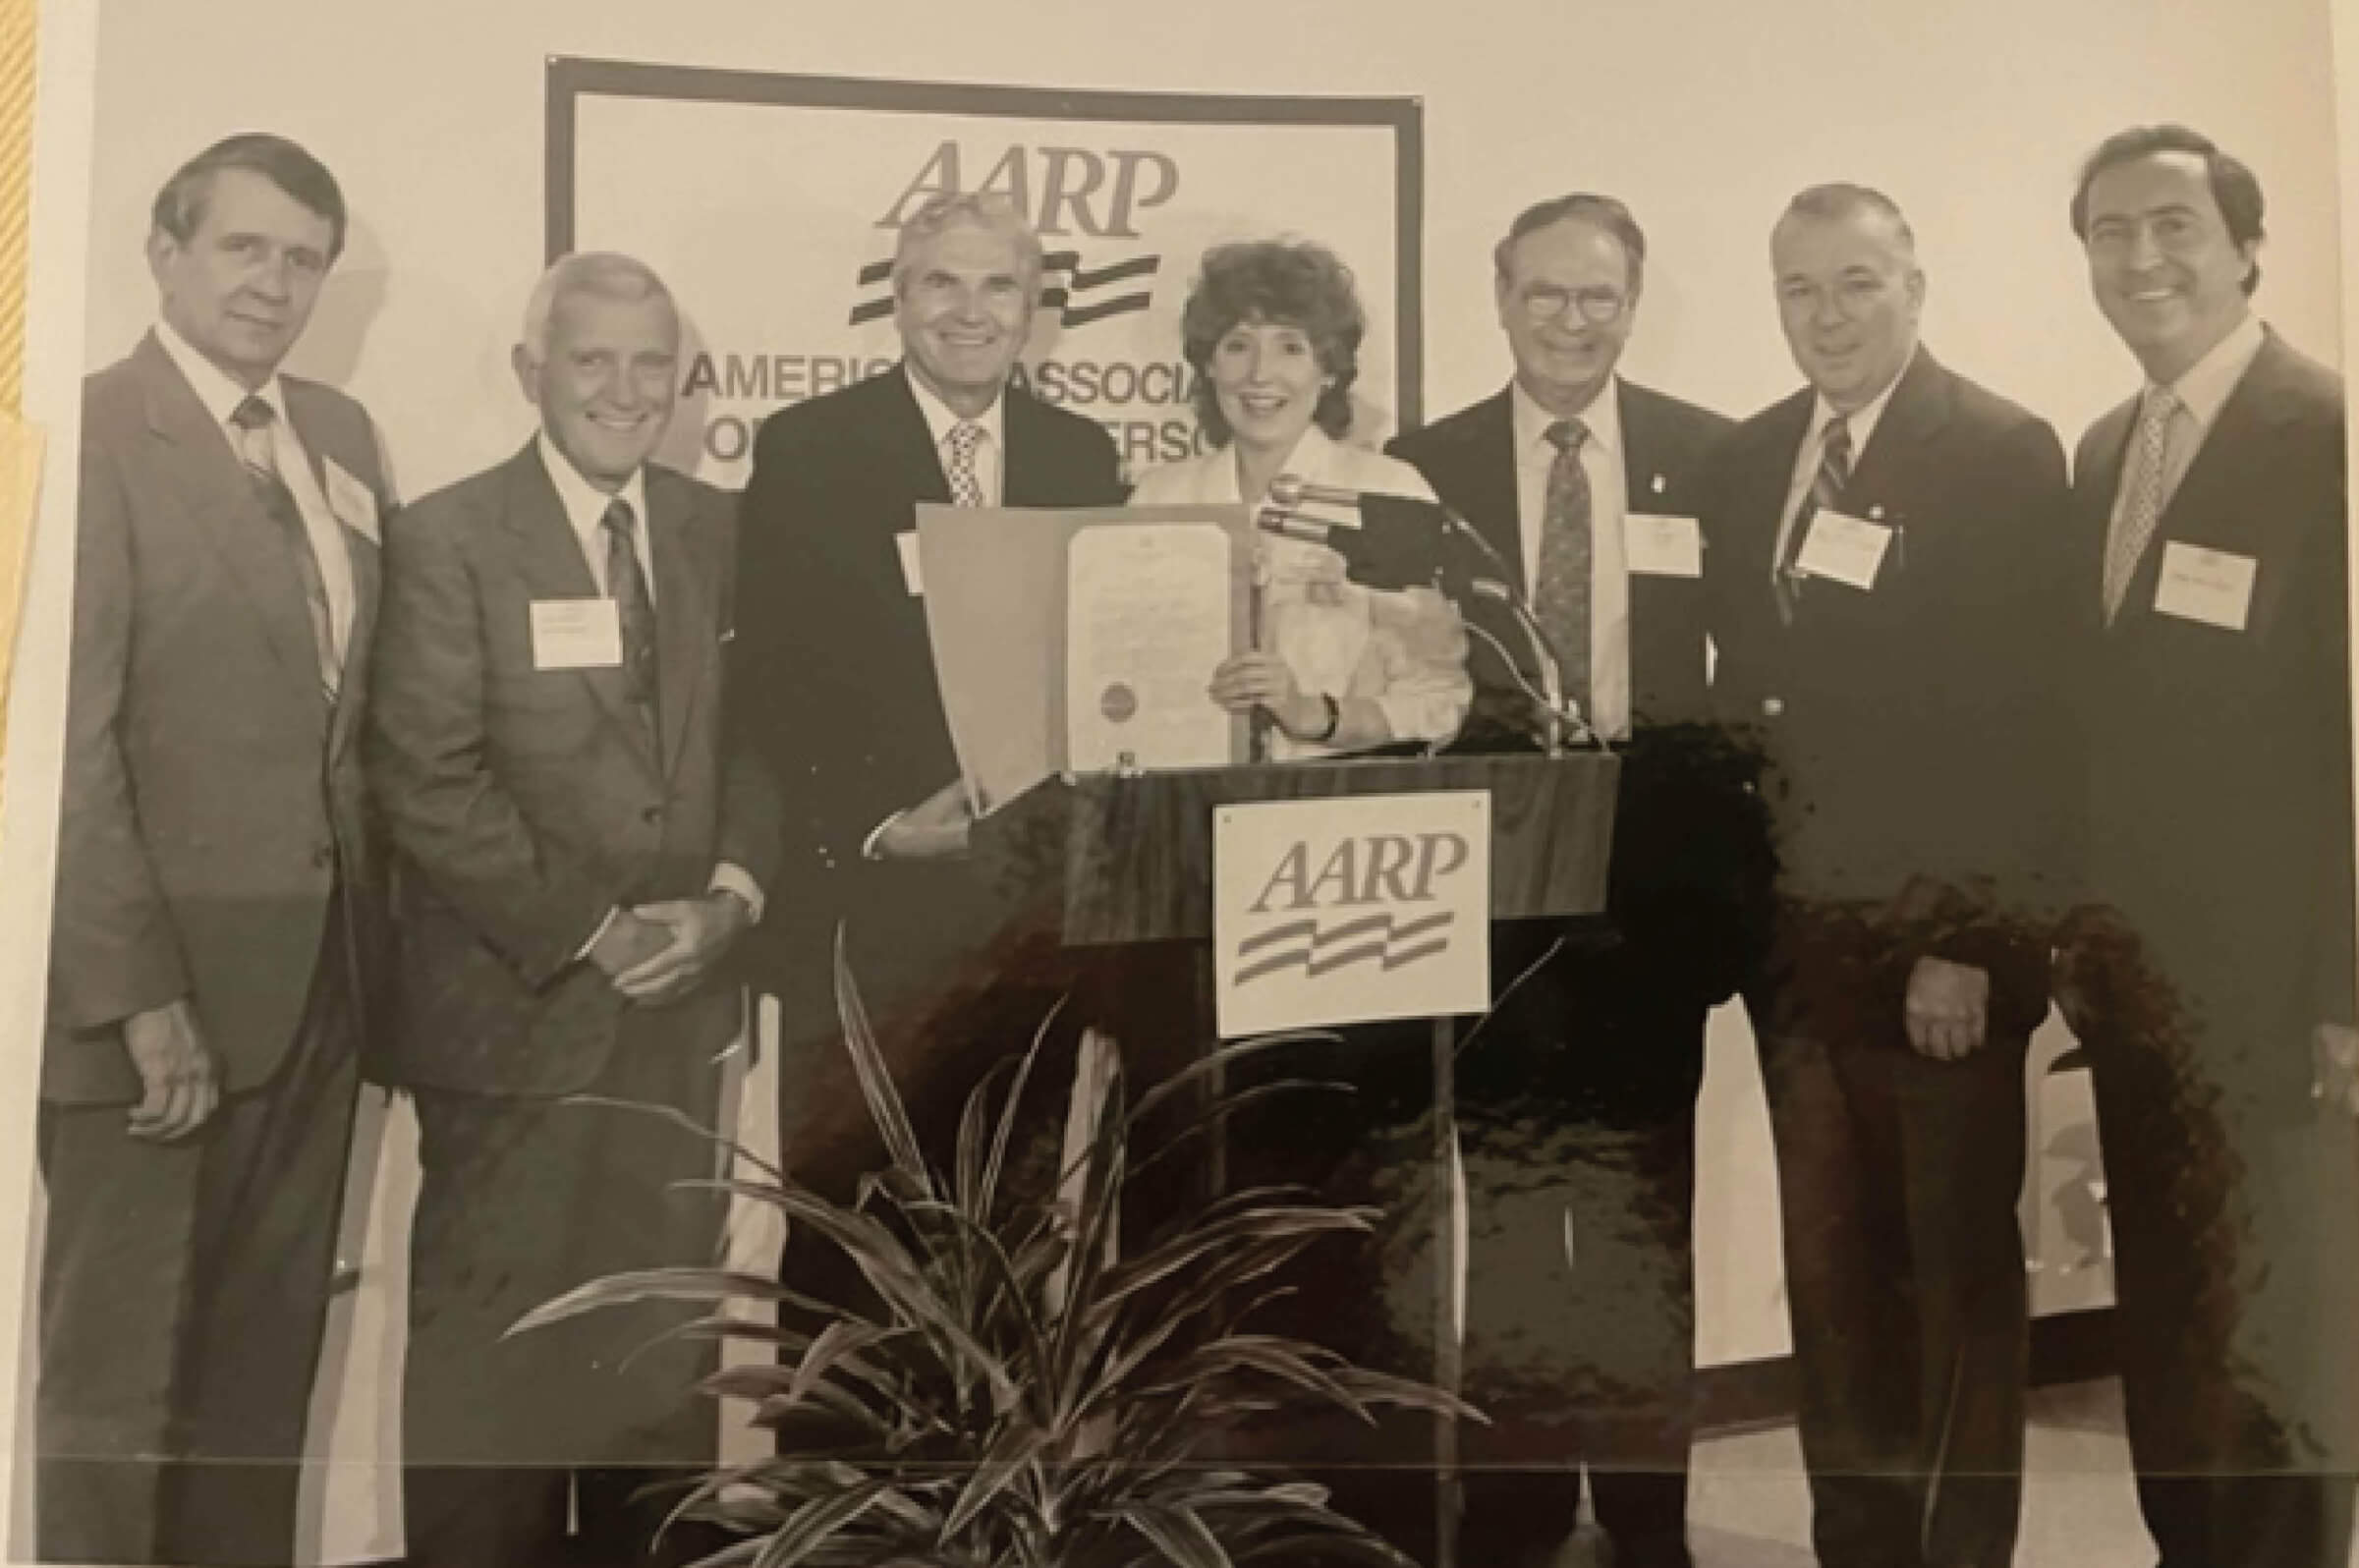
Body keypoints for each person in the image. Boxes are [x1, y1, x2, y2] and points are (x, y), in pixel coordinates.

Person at [365, 252, 780, 1568]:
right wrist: (599, 933)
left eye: (649, 362)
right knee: (490, 1381)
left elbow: (764, 740)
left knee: (656, 1374)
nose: (622, 388)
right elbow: (427, 780)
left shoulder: (721, 529)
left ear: (681, 379)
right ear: (530, 373)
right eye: (591, 359)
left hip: (678, 1020)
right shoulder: (445, 536)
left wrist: (729, 894)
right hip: (514, 1019)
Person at [1700, 185, 2074, 1568]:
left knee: (1954, 1284)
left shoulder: (1999, 451)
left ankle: (1959, 1554)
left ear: (1915, 286)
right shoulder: (1746, 465)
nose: (1829, 315)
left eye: (1857, 283)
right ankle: (1857, 1545)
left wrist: (1968, 941)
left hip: (1940, 960)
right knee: (1834, 1287)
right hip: (1798, 961)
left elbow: (2030, 718)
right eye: (1800, 289)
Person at [1384, 192, 1755, 1568]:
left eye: (1599, 296)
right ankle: (1522, 1507)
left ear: (1632, 303)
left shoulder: (1711, 460)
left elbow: (1748, 696)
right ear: (1499, 296)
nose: (1572, 320)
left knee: (1645, 1219)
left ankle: (1650, 1519)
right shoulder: (1418, 471)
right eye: (1546, 293)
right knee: (1512, 1211)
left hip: (1647, 904)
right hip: (1479, 901)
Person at [38, 133, 392, 1567]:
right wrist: (136, 992)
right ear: (165, 251)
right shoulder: (88, 433)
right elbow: (67, 743)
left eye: (302, 258)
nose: (275, 282)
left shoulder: (343, 438)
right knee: (119, 1389)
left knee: (260, 1385)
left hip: (319, 998)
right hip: (150, 1009)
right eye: (244, 248)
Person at [2052, 124, 2358, 1568]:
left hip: (2283, 1000)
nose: (2139, 259)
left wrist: (2344, 994)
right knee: (2168, 1317)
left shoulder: (2326, 433)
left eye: (2171, 225)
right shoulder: (2109, 446)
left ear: (2245, 246)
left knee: (2284, 1336)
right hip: (2136, 994)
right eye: (2109, 232)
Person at [730, 192, 1124, 1190]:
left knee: (1013, 1220)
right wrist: (874, 822)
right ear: (899, 300)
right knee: (849, 1238)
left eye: (1000, 285)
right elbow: (770, 680)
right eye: (942, 281)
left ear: (1033, 308)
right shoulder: (806, 448)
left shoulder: (1081, 454)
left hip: (1025, 916)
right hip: (867, 903)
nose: (970, 309)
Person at [1128, 237, 1472, 757]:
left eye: (1291, 347)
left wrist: (1316, 715)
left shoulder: (1389, 493)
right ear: (1208, 365)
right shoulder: (1157, 499)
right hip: (1181, 807)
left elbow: (1439, 697)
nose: (1260, 373)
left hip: (1338, 812)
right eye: (1238, 345)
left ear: (1328, 369)